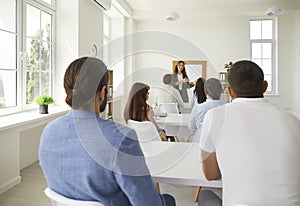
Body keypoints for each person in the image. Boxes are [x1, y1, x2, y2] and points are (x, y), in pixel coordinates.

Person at [39, 57, 176, 206]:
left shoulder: (48, 133)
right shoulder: (121, 138)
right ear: (103, 92)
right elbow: (149, 203)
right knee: (169, 200)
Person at [198, 60, 300, 205]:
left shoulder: (215, 117)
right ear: (265, 86)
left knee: (205, 196)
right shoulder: (293, 121)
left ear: (230, 92)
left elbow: (211, 174)